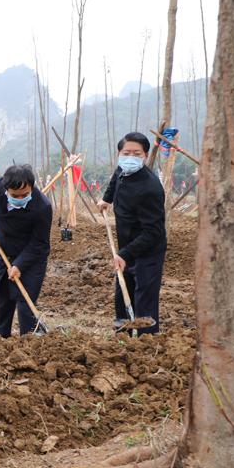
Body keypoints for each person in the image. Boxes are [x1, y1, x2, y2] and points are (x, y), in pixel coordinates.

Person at [96, 132, 167, 334]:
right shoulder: (122, 169)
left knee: (144, 296)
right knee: (122, 289)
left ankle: (146, 343)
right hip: (126, 244)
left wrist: (124, 254)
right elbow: (114, 181)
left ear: (145, 155)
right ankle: (124, 337)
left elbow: (154, 232)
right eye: (126, 152)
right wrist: (106, 199)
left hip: (148, 249)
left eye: (137, 153)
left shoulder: (150, 188)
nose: (130, 157)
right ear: (119, 153)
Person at [0, 164, 52, 337]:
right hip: (4, 250)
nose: (20, 198)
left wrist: (19, 265)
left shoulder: (42, 207)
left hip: (31, 257)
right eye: (15, 196)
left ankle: (28, 341)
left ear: (32, 188)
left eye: (25, 195)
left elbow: (40, 244)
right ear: (5, 188)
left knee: (25, 302)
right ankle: (2, 340)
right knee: (4, 299)